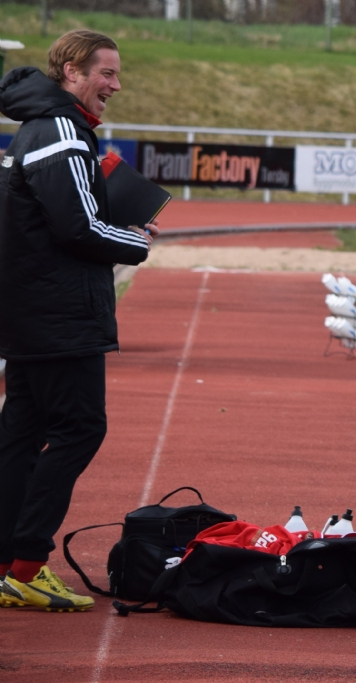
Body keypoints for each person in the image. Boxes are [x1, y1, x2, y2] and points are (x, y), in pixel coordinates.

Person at [0, 30, 155, 612]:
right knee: (80, 429)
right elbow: (77, 228)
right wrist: (135, 240)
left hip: (30, 310)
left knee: (21, 434)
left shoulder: (34, 128)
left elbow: (53, 216)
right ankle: (26, 565)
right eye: (106, 73)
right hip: (59, 313)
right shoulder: (61, 131)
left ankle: (7, 565)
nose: (116, 84)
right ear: (71, 70)